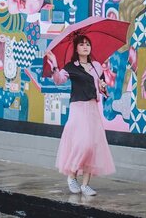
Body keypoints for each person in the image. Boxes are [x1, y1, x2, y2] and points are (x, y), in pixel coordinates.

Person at [45, 35, 115, 196]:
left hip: (92, 108)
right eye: (82, 44)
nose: (85, 47)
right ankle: (72, 175)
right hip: (78, 108)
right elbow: (59, 80)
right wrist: (54, 65)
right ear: (76, 49)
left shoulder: (97, 66)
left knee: (92, 145)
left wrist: (103, 87)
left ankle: (85, 185)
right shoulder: (71, 66)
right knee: (82, 144)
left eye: (88, 44)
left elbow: (103, 91)